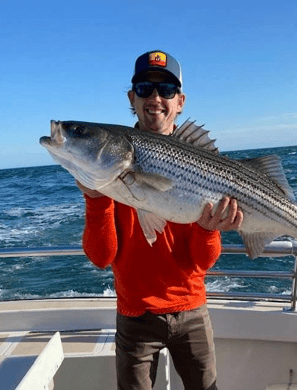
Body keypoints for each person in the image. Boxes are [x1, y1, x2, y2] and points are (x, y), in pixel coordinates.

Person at [77, 50, 243, 390]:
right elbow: (100, 257)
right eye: (144, 89)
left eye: (166, 90)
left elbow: (202, 261)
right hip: (135, 316)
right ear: (131, 98)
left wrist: (208, 230)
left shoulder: (200, 161)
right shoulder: (112, 166)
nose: (155, 98)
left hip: (192, 309)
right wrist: (95, 199)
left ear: (180, 101)